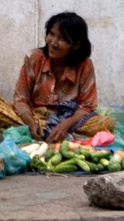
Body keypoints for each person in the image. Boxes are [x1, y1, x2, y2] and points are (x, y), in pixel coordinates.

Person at [13, 11, 99, 144]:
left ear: (75, 45)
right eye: (51, 34)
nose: (53, 42)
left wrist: (66, 124)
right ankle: (40, 131)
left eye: (62, 39)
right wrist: (30, 123)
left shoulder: (84, 65)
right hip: (34, 115)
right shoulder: (34, 58)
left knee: (105, 123)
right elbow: (20, 99)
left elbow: (87, 106)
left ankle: (56, 133)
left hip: (68, 118)